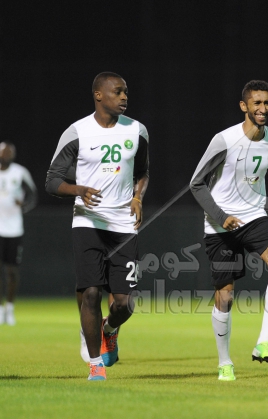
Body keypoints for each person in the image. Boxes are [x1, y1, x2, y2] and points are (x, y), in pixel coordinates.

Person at [46, 72, 149, 381]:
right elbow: (52, 180)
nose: (124, 96)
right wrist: (78, 190)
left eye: (126, 91)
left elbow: (143, 172)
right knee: (90, 292)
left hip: (124, 224)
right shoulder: (77, 131)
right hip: (87, 220)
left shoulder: (138, 130)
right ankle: (95, 365)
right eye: (117, 91)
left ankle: (110, 329)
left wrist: (138, 197)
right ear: (99, 95)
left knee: (124, 304)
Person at [190, 80, 268, 382]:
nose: (263, 108)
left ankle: (264, 342)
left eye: (267, 102)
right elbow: (196, 183)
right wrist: (221, 216)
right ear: (244, 106)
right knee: (225, 298)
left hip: (254, 216)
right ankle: (224, 362)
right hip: (220, 224)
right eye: (257, 103)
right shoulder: (224, 140)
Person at [0, 142, 37, 325]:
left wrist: (23, 206)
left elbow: (32, 196)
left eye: (10, 153)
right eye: (4, 152)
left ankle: (9, 308)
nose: (7, 155)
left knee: (12, 271)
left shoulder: (20, 172)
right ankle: (0, 310)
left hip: (14, 228)